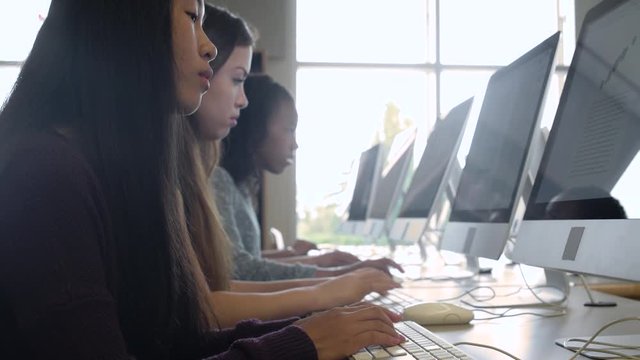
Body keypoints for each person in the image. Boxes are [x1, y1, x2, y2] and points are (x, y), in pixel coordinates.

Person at [0, 1, 405, 359]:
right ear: (129, 21)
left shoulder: (104, 174)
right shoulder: (45, 177)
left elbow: (169, 343)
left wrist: (311, 328)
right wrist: (304, 340)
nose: (208, 46)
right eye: (193, 16)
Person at [185, 4, 400, 327]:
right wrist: (327, 282)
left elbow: (216, 284)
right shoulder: (210, 180)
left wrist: (328, 281)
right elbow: (232, 275)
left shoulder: (209, 176)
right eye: (288, 129)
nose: (242, 101)